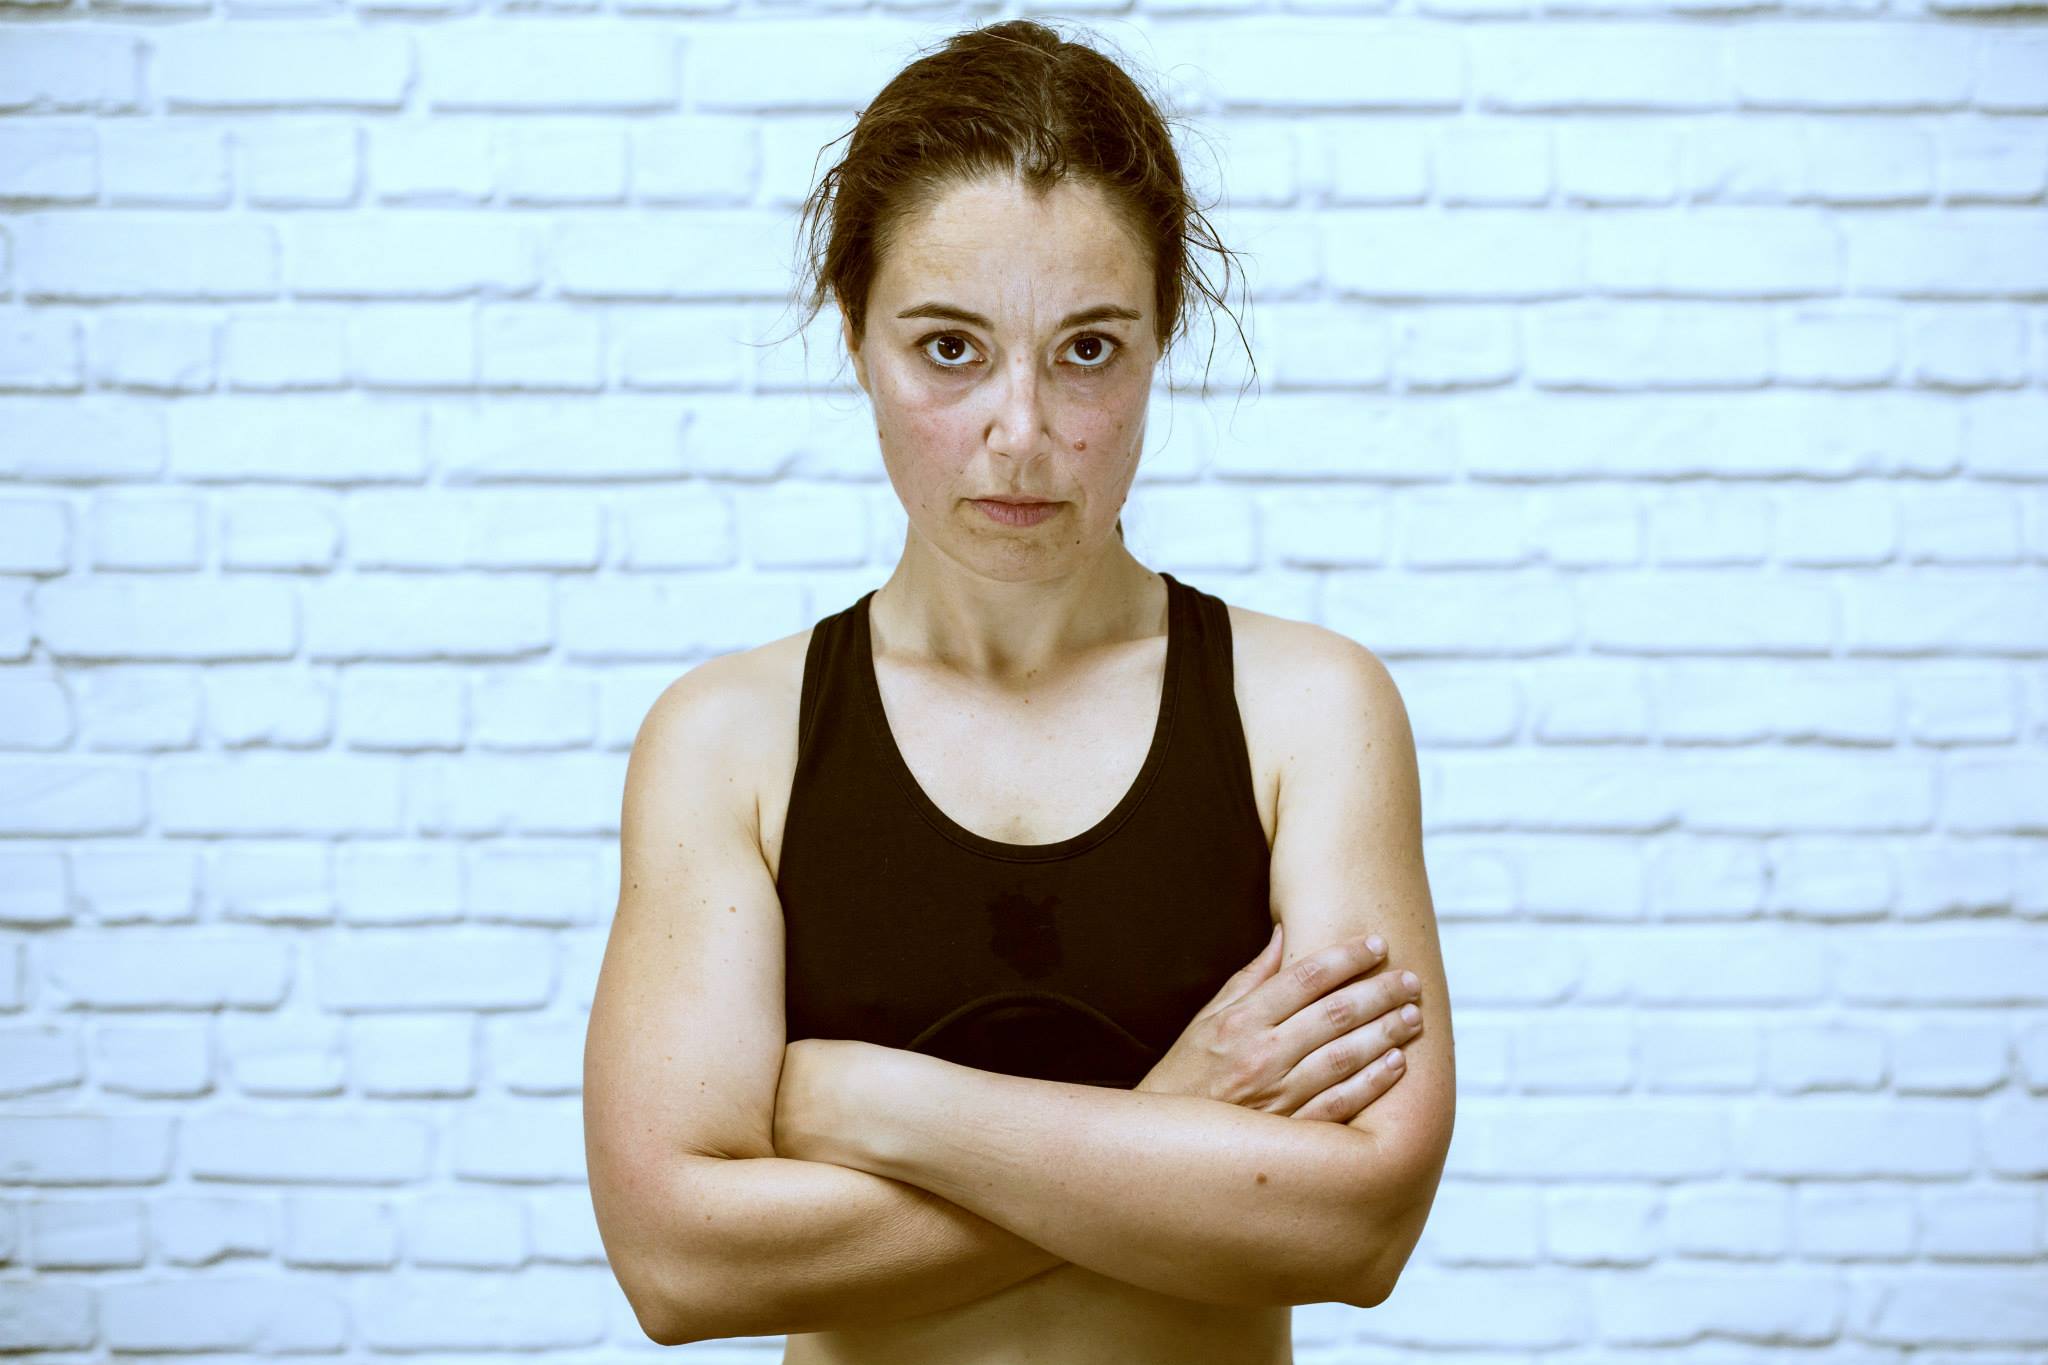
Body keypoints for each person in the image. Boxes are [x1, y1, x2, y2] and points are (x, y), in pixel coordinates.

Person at [582, 18, 1455, 1364]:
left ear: (1163, 334)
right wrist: (1179, 1113)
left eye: (1089, 349)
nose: (1024, 433)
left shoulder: (1308, 713)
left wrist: (875, 1103)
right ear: (855, 331)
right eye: (949, 348)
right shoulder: (730, 743)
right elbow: (678, 1261)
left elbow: (1359, 1226)